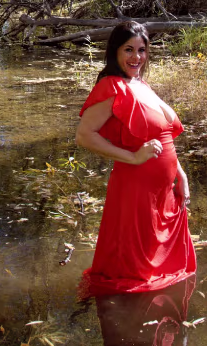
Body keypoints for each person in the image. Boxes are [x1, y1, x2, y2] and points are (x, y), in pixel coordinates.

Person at [75, 21, 196, 297]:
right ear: (115, 52)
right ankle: (125, 316)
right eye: (128, 49)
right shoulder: (112, 86)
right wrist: (132, 156)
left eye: (141, 50)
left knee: (162, 270)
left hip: (163, 192)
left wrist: (181, 175)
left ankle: (151, 315)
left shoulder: (140, 84)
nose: (136, 57)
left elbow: (164, 137)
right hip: (136, 188)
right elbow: (84, 135)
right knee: (133, 273)